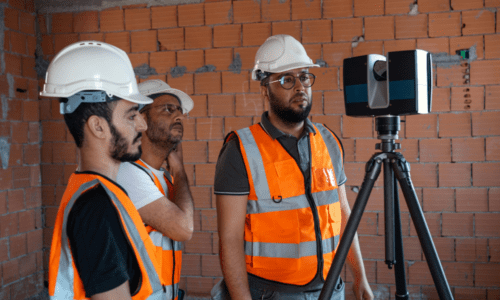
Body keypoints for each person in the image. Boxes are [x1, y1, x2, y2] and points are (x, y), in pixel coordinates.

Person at [211, 35, 374, 300]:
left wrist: (360, 276)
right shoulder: (240, 150)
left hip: (332, 288)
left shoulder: (328, 141)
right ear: (265, 89)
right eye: (287, 79)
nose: (300, 87)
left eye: (305, 77)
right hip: (272, 293)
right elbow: (229, 241)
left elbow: (343, 214)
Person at [43, 41, 167, 299]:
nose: (142, 125)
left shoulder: (100, 193)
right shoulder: (96, 208)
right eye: (131, 115)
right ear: (98, 127)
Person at [117, 79, 195, 300]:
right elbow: (183, 228)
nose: (179, 116)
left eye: (180, 111)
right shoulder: (127, 173)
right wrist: (180, 171)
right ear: (139, 118)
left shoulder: (165, 180)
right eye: (168, 109)